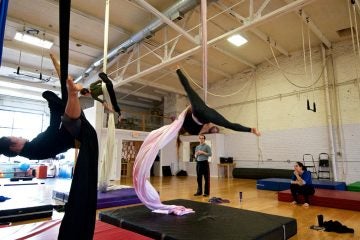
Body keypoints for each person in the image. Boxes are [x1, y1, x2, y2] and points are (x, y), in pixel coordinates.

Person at [0, 77, 82, 159]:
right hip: (74, 136)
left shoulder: (31, 150)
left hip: (70, 136)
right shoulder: (33, 150)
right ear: (14, 147)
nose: (20, 136)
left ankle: (66, 100)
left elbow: (52, 131)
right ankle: (73, 94)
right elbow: (53, 129)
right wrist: (54, 107)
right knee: (68, 122)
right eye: (17, 138)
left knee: (65, 122)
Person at [175, 67, 261, 136]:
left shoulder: (192, 129)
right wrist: (178, 70)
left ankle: (251, 130)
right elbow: (186, 86)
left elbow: (204, 128)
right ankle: (251, 130)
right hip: (201, 111)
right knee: (188, 89)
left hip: (205, 115)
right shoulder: (190, 124)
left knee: (228, 124)